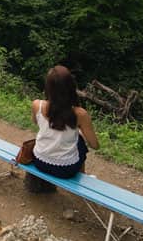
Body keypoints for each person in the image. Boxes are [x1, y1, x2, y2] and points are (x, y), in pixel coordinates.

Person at [25, 65, 100, 193]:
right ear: (71, 87)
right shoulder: (80, 114)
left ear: (48, 87)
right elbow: (95, 145)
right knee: (80, 142)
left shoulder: (37, 104)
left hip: (39, 161)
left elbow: (35, 121)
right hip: (65, 170)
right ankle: (82, 176)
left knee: (78, 140)